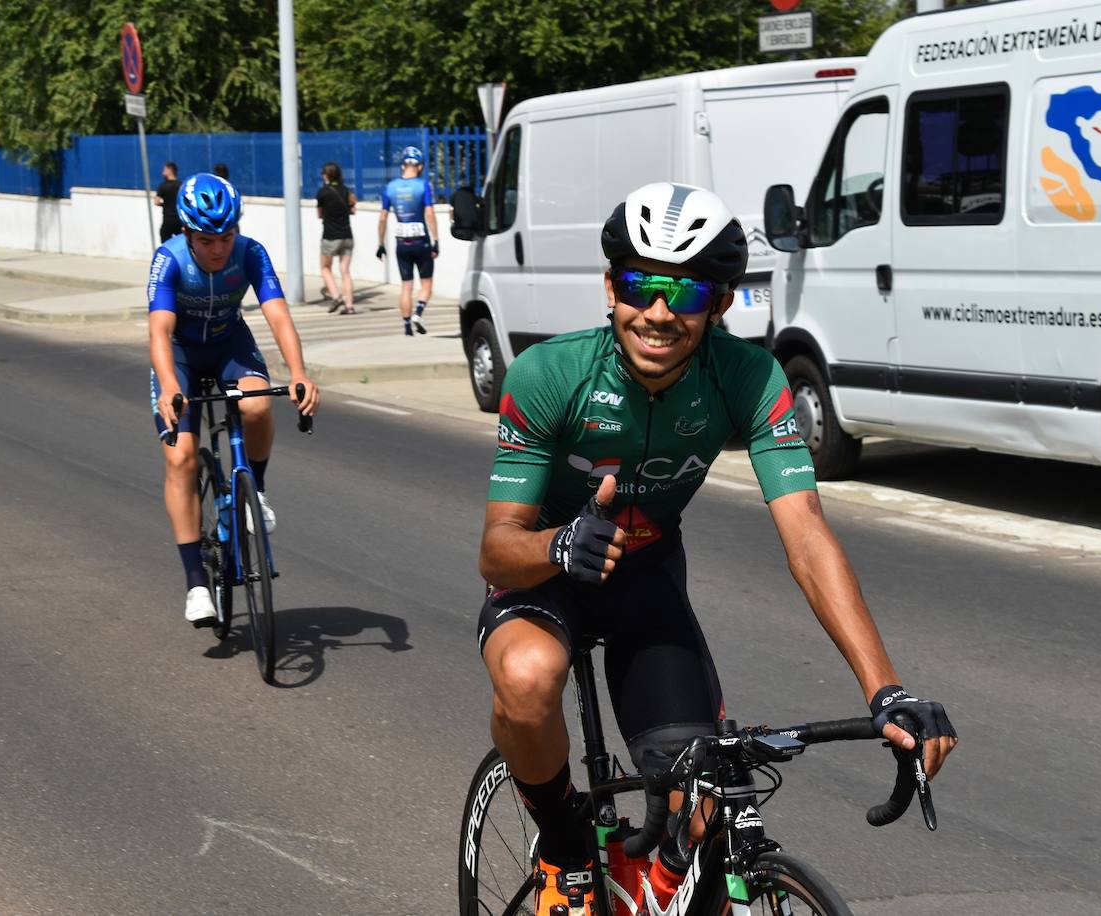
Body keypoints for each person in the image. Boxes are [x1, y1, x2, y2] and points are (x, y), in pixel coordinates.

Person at [476, 182, 957, 914]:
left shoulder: (748, 377)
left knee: (708, 798)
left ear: (722, 302)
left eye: (687, 291)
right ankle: (566, 844)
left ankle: (664, 880)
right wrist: (559, 542)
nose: (660, 313)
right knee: (530, 673)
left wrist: (885, 688)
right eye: (640, 285)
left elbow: (807, 536)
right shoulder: (549, 375)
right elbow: (496, 549)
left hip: (645, 580)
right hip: (547, 574)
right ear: (611, 287)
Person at [148, 173, 320, 626]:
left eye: (226, 236)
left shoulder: (250, 253)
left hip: (228, 346)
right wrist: (169, 385)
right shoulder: (169, 260)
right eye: (207, 240)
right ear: (187, 232)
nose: (219, 248)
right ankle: (196, 585)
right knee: (181, 458)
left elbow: (278, 316)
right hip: (181, 357)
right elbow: (160, 331)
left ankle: (253, 496)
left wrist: (298, 373)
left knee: (259, 403)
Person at [376, 145, 437, 336]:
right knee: (426, 283)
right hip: (421, 239)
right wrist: (436, 240)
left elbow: (383, 217)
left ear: (403, 165)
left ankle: (407, 326)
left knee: (406, 285)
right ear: (419, 166)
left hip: (401, 241)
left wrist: (380, 244)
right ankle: (418, 312)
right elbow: (429, 213)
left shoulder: (390, 187)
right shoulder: (423, 185)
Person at [315, 161, 357, 314]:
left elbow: (319, 215)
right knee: (345, 271)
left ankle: (336, 296)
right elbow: (353, 211)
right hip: (347, 236)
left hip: (330, 237)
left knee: (325, 268)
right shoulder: (346, 191)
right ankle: (350, 306)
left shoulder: (322, 193)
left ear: (326, 175)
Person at [154, 161, 182, 243]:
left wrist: (164, 204)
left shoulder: (163, 186)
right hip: (180, 219)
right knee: (181, 242)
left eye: (164, 170)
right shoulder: (181, 185)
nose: (163, 172)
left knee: (165, 242)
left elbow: (156, 201)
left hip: (168, 219)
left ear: (170, 170)